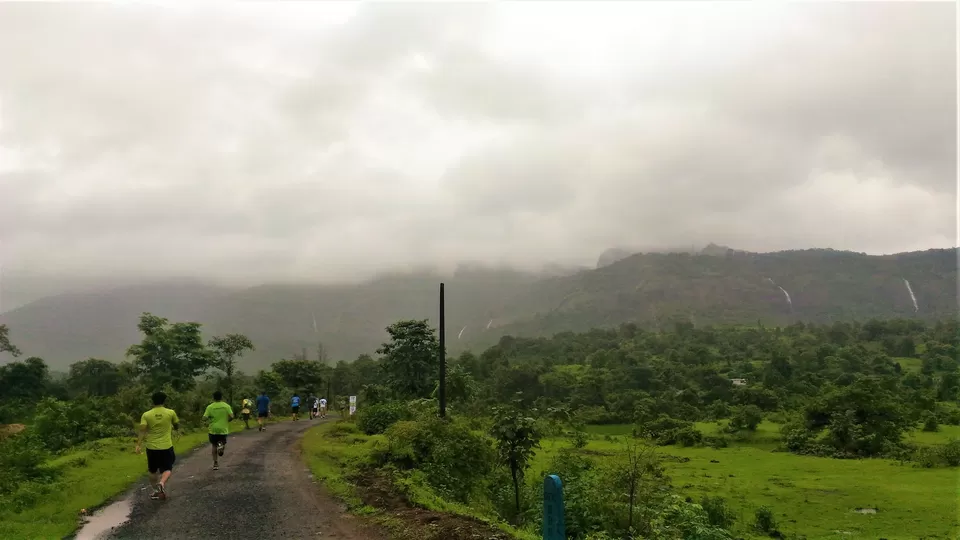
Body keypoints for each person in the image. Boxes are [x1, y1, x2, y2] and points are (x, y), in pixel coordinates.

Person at [136, 391, 179, 501]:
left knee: (152, 470)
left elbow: (142, 430)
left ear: (152, 401)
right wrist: (176, 429)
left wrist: (138, 445)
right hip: (166, 446)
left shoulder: (146, 414)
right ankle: (162, 482)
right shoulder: (171, 412)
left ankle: (156, 490)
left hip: (151, 447)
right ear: (164, 401)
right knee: (168, 468)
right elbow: (176, 424)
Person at [203, 390, 234, 471]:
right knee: (222, 442)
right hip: (223, 429)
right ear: (221, 397)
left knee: (214, 445)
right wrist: (227, 421)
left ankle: (215, 463)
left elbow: (204, 418)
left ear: (213, 398)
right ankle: (221, 447)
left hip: (213, 429)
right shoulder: (226, 406)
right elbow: (232, 416)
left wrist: (208, 421)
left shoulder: (210, 407)